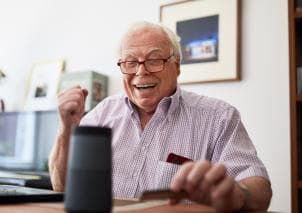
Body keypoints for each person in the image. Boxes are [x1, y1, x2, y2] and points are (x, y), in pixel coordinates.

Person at [49, 21, 272, 211]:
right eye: (130, 62)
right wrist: (66, 127)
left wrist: (238, 194)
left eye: (154, 60)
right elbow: (61, 188)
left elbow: (260, 191)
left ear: (176, 66)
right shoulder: (101, 114)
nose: (140, 71)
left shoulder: (219, 117)